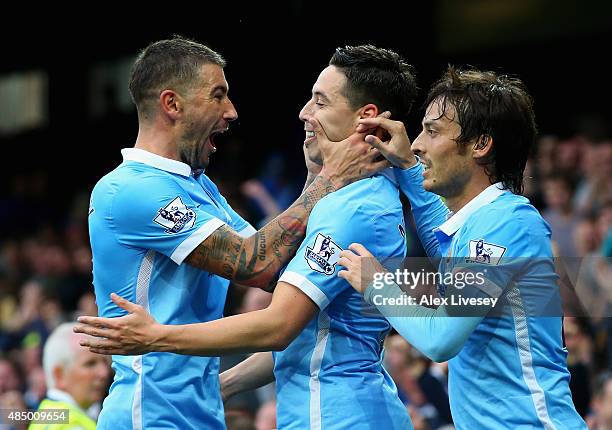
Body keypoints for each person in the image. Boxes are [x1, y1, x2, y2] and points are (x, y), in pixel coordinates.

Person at [77, 44, 418, 429]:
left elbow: (274, 274)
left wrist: (324, 183)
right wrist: (324, 181)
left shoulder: (202, 187)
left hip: (218, 411)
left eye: (319, 102)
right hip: (150, 412)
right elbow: (259, 265)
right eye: (218, 95)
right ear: (172, 104)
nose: (232, 112)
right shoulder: (128, 190)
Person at [336, 66, 587, 428]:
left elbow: (441, 339)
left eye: (433, 131)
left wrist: (377, 283)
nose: (418, 143)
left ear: (481, 145)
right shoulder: (479, 224)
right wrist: (408, 165)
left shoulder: (508, 222)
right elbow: (442, 242)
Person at [29, 322, 111, 430]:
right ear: (60, 376)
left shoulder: (46, 414)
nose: (104, 373)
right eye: (90, 364)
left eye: (105, 362)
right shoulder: (73, 426)